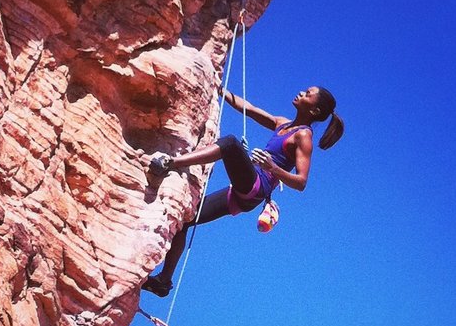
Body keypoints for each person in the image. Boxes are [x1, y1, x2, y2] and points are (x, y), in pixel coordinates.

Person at [142, 85, 343, 296]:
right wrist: (221, 91)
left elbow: (301, 182)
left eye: (308, 94)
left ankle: (171, 162)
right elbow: (248, 108)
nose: (301, 92)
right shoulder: (284, 123)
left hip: (256, 187)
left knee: (230, 144)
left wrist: (273, 168)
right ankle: (164, 281)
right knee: (186, 218)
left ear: (314, 111)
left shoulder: (304, 136)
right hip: (242, 192)